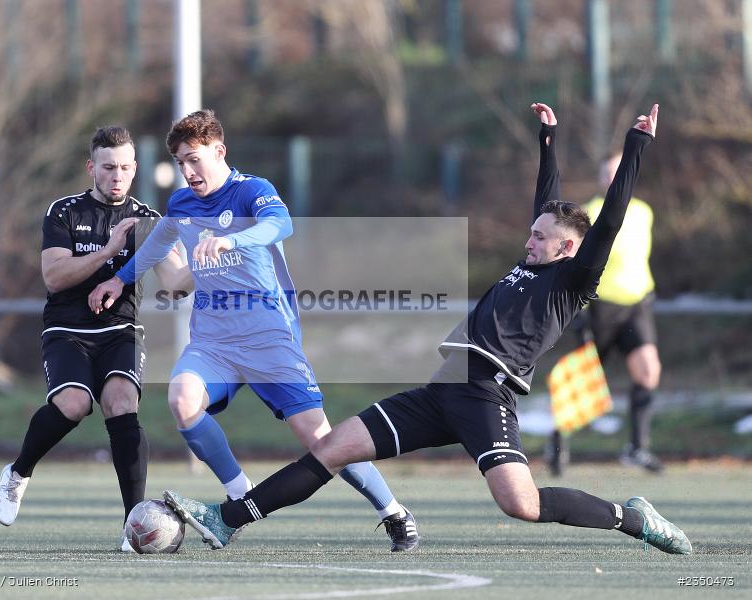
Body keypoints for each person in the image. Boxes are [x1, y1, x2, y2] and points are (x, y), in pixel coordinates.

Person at [162, 103, 693, 556]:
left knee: (522, 504)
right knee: (332, 447)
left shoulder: (572, 278)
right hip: (443, 388)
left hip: (487, 396)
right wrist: (547, 141)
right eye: (531, 233)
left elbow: (613, 218)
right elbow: (547, 202)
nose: (528, 240)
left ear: (568, 249)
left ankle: (632, 519)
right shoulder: (534, 261)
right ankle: (227, 519)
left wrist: (636, 143)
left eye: (539, 237)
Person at [89, 109, 420, 551]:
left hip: (270, 338)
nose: (187, 171)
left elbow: (280, 225)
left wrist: (232, 238)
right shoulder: (183, 204)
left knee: (322, 441)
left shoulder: (252, 192)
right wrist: (119, 278)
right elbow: (158, 243)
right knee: (182, 399)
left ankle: (393, 511)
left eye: (195, 159)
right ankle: (239, 494)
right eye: (181, 163)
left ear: (219, 151)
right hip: (214, 342)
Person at [0, 126, 192, 553]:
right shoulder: (63, 212)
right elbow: (55, 275)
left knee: (122, 402)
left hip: (121, 330)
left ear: (135, 169)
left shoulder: (149, 220)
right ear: (91, 168)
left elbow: (175, 281)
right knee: (75, 403)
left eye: (124, 168)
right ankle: (18, 472)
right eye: (108, 168)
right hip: (67, 331)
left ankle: (132, 525)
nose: (117, 176)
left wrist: (210, 259)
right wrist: (109, 249)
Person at [547, 155, 663, 474]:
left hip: (636, 305)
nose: (614, 180)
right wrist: (578, 310)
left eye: (618, 173)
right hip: (599, 307)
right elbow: (577, 265)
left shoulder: (643, 212)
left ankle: (637, 448)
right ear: (600, 179)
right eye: (607, 174)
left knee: (648, 371)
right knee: (583, 382)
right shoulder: (590, 213)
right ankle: (557, 441)